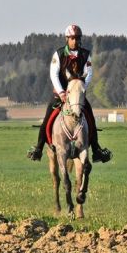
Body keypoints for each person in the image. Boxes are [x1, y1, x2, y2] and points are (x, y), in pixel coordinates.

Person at [27, 24, 112, 163]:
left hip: (77, 95)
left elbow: (89, 73)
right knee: (47, 120)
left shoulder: (85, 54)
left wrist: (81, 88)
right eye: (72, 38)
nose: (75, 41)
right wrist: (61, 92)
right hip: (60, 94)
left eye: (77, 38)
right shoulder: (59, 54)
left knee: (90, 118)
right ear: (67, 39)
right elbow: (53, 74)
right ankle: (39, 148)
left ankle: (96, 150)